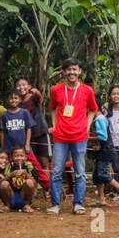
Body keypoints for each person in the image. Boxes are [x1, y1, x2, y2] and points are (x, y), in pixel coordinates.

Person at [47, 57, 98, 215]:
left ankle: (78, 204)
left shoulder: (87, 90)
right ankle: (56, 204)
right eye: (68, 69)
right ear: (63, 72)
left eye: (74, 69)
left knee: (80, 172)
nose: (71, 72)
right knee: (56, 171)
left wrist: (87, 126)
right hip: (60, 136)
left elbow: (93, 109)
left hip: (79, 136)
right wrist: (55, 126)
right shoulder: (56, 90)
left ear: (79, 71)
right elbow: (53, 108)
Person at [91, 111, 119, 206]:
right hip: (101, 150)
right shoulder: (99, 119)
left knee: (102, 174)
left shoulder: (99, 119)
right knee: (96, 175)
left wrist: (88, 137)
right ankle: (101, 199)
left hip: (105, 150)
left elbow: (103, 136)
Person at [14, 77, 50, 183]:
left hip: (40, 132)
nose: (21, 87)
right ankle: (33, 186)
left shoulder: (33, 97)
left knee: (44, 161)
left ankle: (47, 187)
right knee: (31, 162)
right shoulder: (16, 102)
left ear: (29, 86)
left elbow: (40, 98)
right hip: (27, 136)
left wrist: (36, 92)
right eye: (19, 85)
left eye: (24, 84)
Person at [0, 90, 34, 157]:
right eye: (11, 98)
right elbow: (2, 132)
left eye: (16, 98)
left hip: (23, 146)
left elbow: (29, 128)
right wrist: (2, 147)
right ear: (8, 100)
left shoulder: (24, 112)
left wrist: (27, 144)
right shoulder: (3, 115)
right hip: (9, 148)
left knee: (32, 164)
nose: (13, 100)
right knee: (9, 165)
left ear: (20, 100)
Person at [3, 147, 37, 213]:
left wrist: (26, 174)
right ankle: (7, 206)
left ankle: (27, 205)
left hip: (24, 196)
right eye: (16, 156)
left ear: (26, 157)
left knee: (29, 182)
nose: (19, 158)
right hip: (11, 196)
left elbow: (35, 183)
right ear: (12, 158)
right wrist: (10, 175)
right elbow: (1, 183)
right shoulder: (8, 166)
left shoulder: (29, 166)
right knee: (4, 183)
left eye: (21, 156)